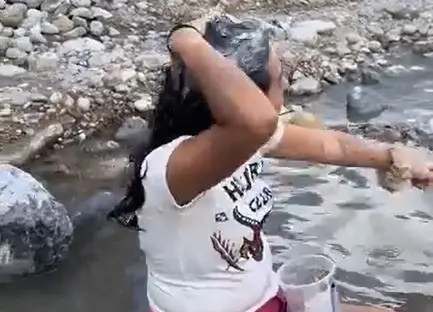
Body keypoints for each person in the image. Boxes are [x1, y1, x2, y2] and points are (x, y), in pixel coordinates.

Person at [108, 15, 433, 312]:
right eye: (279, 78)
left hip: (268, 298)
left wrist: (396, 158)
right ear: (244, 97)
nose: (287, 85)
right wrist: (185, 38)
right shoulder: (171, 167)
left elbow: (332, 144)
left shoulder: (241, 138)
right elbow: (257, 122)